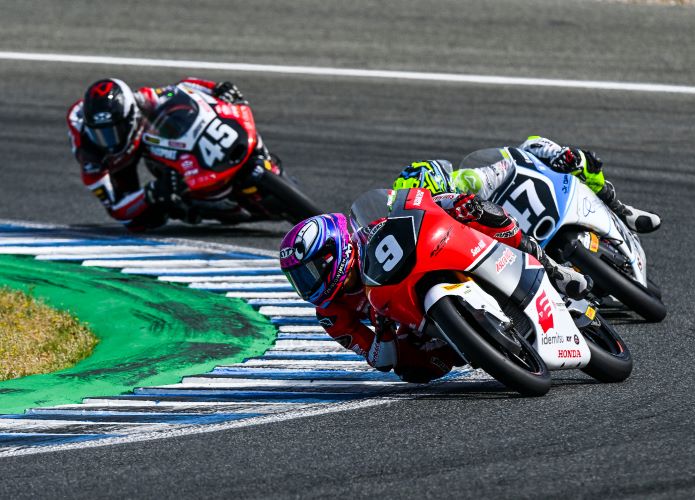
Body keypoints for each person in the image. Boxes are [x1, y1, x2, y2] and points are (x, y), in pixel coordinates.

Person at [280, 213, 465, 384]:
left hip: (437, 263)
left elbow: (421, 212)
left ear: (332, 253)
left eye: (311, 271)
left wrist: (453, 206)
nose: (306, 283)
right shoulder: (329, 313)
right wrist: (383, 329)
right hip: (411, 315)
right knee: (408, 367)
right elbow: (381, 361)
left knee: (464, 213)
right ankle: (460, 349)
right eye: (298, 278)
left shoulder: (374, 233)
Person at [66, 77, 272, 231]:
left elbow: (180, 89)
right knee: (139, 222)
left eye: (114, 131)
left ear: (130, 117)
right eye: (101, 134)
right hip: (119, 163)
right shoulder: (91, 157)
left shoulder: (142, 100)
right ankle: (188, 205)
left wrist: (216, 88)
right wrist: (153, 192)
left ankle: (254, 155)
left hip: (143, 137)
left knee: (177, 122)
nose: (110, 141)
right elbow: (116, 209)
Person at [393, 160, 592, 300]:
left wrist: (474, 208)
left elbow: (505, 165)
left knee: (490, 218)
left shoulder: (465, 181)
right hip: (445, 256)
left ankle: (554, 271)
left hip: (488, 239)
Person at [451, 136, 661, 233]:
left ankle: (620, 209)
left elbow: (527, 147)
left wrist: (559, 155)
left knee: (571, 158)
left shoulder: (459, 177)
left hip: (528, 191)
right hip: (502, 227)